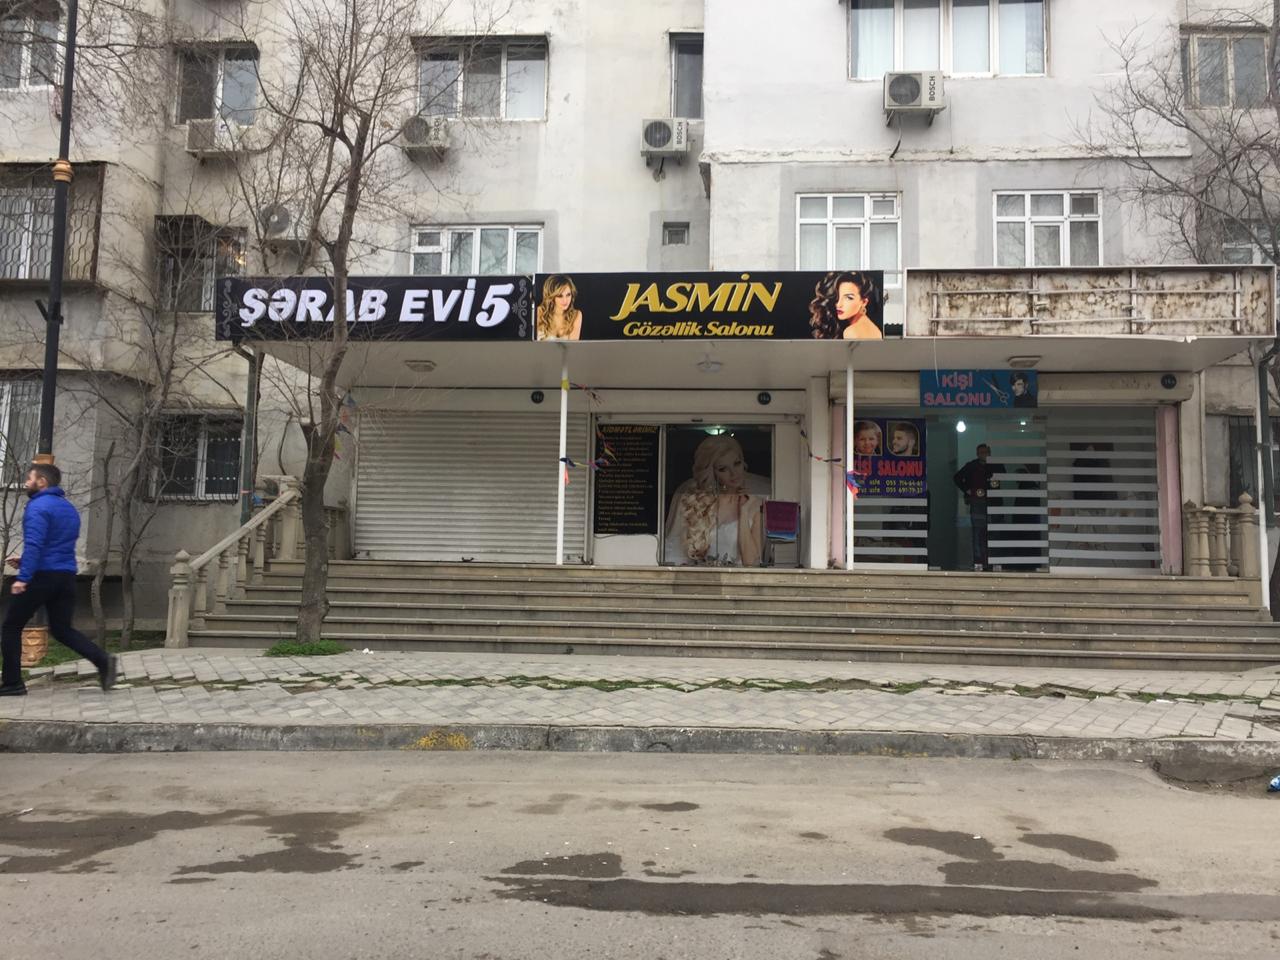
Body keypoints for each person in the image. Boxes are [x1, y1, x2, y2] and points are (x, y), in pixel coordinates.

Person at [1, 464, 116, 696]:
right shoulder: (68, 508)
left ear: (42, 481)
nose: (26, 482)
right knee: (62, 629)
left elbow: (35, 544)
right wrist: (26, 561)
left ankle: (13, 683)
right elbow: (56, 544)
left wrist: (23, 577)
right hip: (65, 575)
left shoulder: (37, 507)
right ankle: (103, 660)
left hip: (41, 576)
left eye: (29, 478)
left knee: (11, 627)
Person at [664, 435, 764, 566]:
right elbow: (673, 554)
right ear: (712, 473)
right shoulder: (695, 501)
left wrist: (744, 511)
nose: (734, 473)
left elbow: (751, 562)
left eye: (737, 463)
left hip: (739, 578)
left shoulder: (756, 505)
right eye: (723, 469)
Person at [953, 443, 999, 572]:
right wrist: (968, 490)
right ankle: (979, 563)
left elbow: (1002, 478)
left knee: (993, 533)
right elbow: (957, 478)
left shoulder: (996, 465)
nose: (984, 455)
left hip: (993, 503)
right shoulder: (972, 466)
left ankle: (993, 562)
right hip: (978, 503)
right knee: (978, 533)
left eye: (986, 452)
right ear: (977, 454)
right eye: (981, 452)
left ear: (990, 453)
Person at [809, 271, 882, 340]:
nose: (839, 304)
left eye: (849, 298)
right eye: (838, 297)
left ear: (864, 302)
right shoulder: (873, 328)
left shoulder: (851, 332)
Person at [536, 274, 583, 340]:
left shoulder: (576, 315)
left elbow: (573, 345)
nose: (565, 300)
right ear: (552, 296)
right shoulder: (539, 312)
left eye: (568, 295)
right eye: (560, 296)